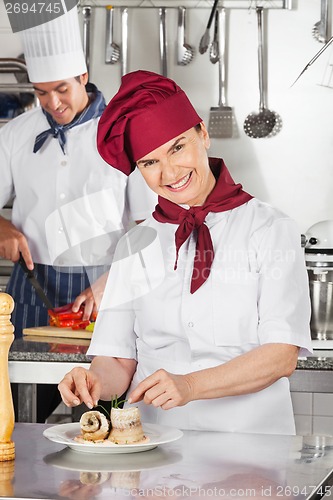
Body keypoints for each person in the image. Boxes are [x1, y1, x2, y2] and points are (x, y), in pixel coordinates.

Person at [58, 70, 312, 435]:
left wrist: (190, 386)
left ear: (203, 134)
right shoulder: (136, 244)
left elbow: (280, 356)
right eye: (149, 162)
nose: (170, 171)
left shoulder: (270, 229)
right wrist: (92, 379)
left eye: (177, 147)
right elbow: (117, 358)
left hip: (251, 450)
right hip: (153, 448)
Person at [0, 12, 156, 422]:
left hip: (104, 290)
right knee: (20, 409)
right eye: (41, 92)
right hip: (32, 285)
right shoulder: (15, 134)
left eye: (62, 89)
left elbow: (150, 227)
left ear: (83, 76)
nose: (53, 103)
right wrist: (2, 226)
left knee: (96, 411)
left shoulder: (123, 131)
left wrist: (111, 284)